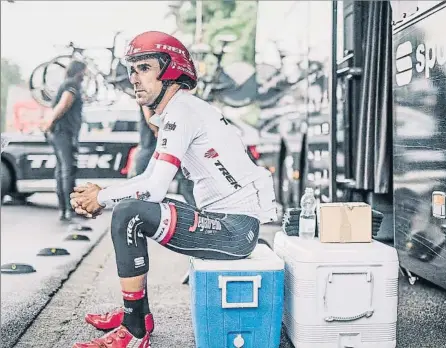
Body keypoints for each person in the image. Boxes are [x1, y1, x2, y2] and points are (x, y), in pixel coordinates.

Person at [69, 31, 277, 348]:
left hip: (235, 231)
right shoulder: (180, 111)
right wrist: (105, 192)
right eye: (132, 69)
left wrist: (101, 198)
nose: (133, 79)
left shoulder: (183, 112)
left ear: (171, 70)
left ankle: (135, 329)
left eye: (144, 68)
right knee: (130, 208)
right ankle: (136, 313)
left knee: (129, 213)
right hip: (226, 221)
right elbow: (150, 179)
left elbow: (151, 190)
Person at [41, 60, 87, 221]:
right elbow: (64, 103)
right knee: (68, 170)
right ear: (79, 71)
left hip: (59, 133)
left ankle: (64, 209)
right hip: (63, 133)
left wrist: (49, 123)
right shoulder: (72, 84)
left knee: (62, 170)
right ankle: (69, 209)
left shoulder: (67, 83)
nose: (85, 75)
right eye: (84, 71)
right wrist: (50, 121)